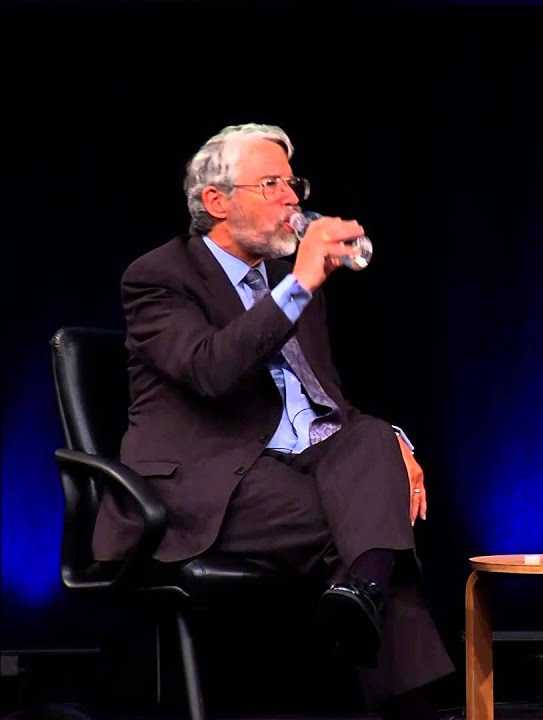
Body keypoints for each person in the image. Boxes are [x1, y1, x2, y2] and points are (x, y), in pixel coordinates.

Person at [92, 123, 453, 719]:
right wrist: (303, 283)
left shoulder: (286, 285)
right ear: (217, 202)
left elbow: (328, 402)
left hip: (298, 465)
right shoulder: (159, 278)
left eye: (293, 183)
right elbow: (211, 369)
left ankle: (360, 590)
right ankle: (409, 693)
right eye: (272, 184)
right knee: (374, 533)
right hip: (207, 481)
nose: (293, 199)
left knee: (371, 449)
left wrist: (395, 444)